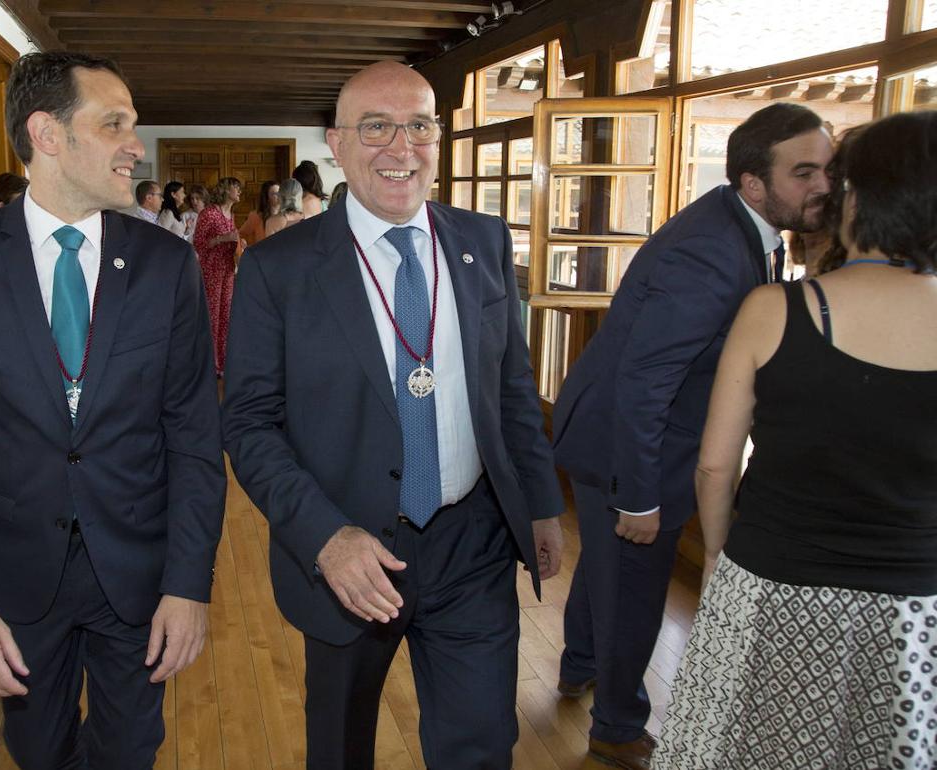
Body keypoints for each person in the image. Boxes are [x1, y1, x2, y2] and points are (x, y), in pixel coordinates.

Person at [222, 61, 564, 770]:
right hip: (352, 553)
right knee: (342, 749)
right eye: (376, 126)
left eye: (418, 125)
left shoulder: (484, 243)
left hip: (473, 542)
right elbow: (249, 424)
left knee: (480, 747)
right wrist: (323, 537)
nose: (399, 147)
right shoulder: (277, 269)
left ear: (438, 140)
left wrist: (539, 502)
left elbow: (509, 388)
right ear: (336, 144)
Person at [0, 51, 225, 769]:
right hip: (14, 579)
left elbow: (194, 436)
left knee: (130, 750)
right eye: (114, 125)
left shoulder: (167, 266)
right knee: (37, 752)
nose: (136, 145)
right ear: (47, 134)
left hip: (137, 572)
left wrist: (189, 583)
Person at [551, 102, 832, 770]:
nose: (823, 185)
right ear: (754, 183)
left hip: (616, 431)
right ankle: (616, 727)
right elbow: (646, 383)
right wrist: (640, 498)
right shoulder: (713, 251)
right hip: (634, 444)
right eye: (804, 172)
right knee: (636, 587)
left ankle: (578, 663)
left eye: (827, 168)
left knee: (608, 570)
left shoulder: (742, 227)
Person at [653, 109, 937, 770]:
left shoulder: (777, 309)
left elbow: (716, 466)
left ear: (857, 199)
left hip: (775, 581)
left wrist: (720, 552)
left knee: (749, 747)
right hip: (916, 602)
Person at [192, 177, 241, 376]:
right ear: (225, 190)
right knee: (212, 317)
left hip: (228, 270)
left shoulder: (230, 214)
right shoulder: (209, 213)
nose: (239, 191)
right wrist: (223, 239)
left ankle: (222, 362)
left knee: (226, 316)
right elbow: (199, 243)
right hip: (211, 271)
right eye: (235, 188)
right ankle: (209, 364)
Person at [238, 180, 279, 248]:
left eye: (280, 192)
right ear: (267, 198)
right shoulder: (256, 216)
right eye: (274, 193)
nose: (279, 195)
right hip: (263, 256)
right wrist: (246, 245)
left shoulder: (287, 215)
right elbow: (241, 235)